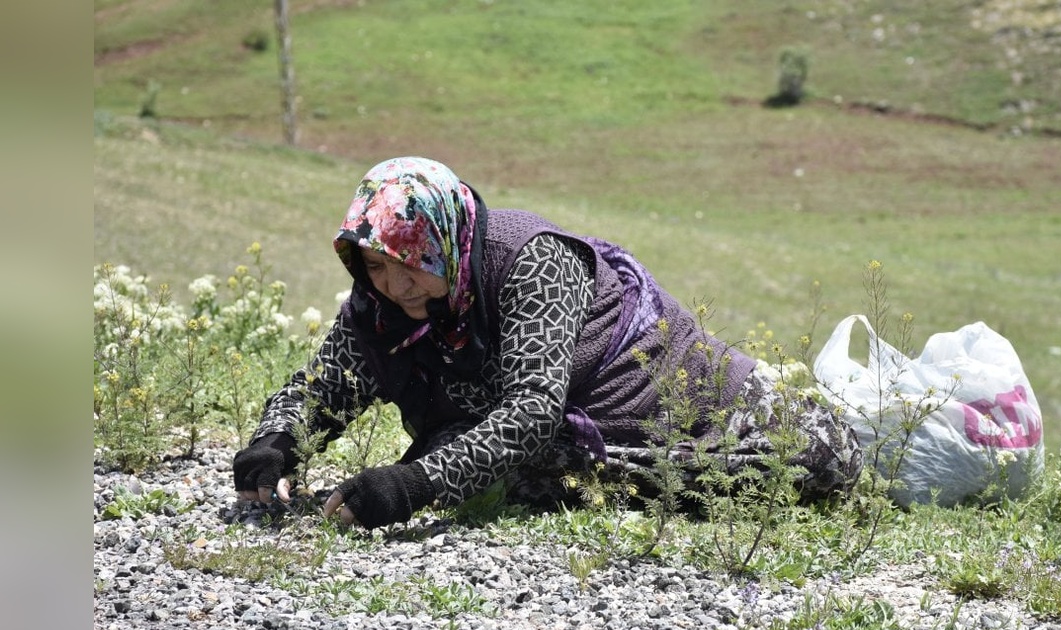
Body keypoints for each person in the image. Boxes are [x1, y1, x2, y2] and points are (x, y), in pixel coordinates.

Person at [233, 157, 861, 529]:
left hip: (697, 412)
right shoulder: (381, 301)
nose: (395, 285)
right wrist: (275, 445)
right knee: (521, 475)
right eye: (375, 266)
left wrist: (405, 488)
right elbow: (327, 385)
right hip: (570, 446)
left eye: (412, 262)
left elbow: (529, 414)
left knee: (824, 460)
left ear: (448, 241)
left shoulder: (531, 260)